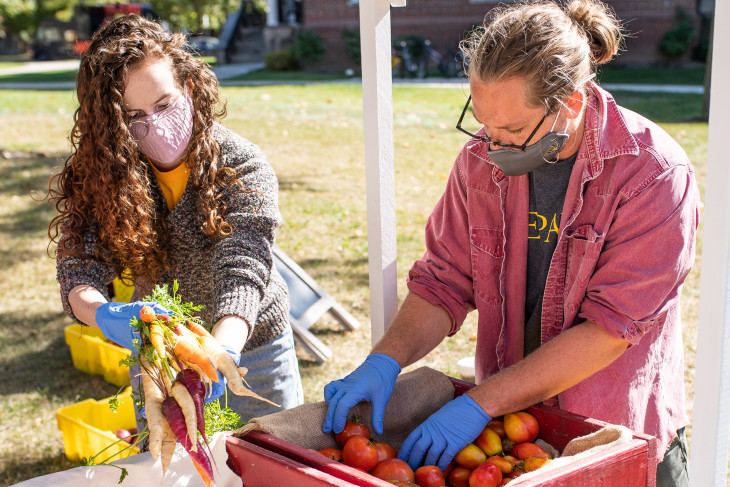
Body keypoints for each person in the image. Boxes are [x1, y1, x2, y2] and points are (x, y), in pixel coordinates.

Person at [323, 1, 698, 485]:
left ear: (572, 105)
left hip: (612, 432)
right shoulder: (480, 159)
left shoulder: (653, 173)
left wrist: (480, 403)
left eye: (514, 131)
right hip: (508, 431)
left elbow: (610, 329)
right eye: (484, 123)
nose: (492, 146)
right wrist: (385, 358)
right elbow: (444, 281)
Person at [48, 14, 303, 422]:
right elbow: (80, 265)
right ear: (111, 122)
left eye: (164, 104)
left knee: (270, 463)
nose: (154, 124)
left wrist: (222, 351)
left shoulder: (241, 163)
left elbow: (244, 265)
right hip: (160, 356)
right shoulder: (104, 169)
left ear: (187, 85)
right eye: (133, 116)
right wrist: (100, 312)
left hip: (252, 351)